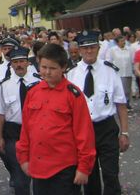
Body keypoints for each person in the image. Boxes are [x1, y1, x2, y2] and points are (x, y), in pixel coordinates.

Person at [16, 44, 95, 195]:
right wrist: (23, 157)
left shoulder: (73, 94)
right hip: (38, 167)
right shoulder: (33, 92)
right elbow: (26, 128)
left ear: (63, 67)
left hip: (64, 168)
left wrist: (84, 168)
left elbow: (84, 133)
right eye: (43, 67)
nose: (46, 72)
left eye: (52, 68)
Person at [66, 31, 129, 195]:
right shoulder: (71, 73)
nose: (89, 51)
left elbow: (121, 104)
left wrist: (125, 132)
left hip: (106, 128)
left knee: (111, 174)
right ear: (79, 50)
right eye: (85, 48)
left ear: (98, 48)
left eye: (92, 47)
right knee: (89, 176)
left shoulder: (110, 70)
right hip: (83, 130)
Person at [0, 47, 39, 195]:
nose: (19, 65)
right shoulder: (4, 85)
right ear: (11, 64)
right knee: (19, 176)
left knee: (38, 174)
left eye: (22, 61)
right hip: (14, 133)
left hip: (36, 132)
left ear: (28, 63)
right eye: (15, 62)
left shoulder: (39, 82)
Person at [106, 35, 134, 109]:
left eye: (124, 41)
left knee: (127, 89)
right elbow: (108, 61)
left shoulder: (129, 49)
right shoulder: (112, 50)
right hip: (118, 73)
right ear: (117, 42)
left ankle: (127, 102)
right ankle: (121, 104)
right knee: (121, 89)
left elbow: (132, 60)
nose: (123, 42)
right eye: (121, 41)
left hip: (128, 72)